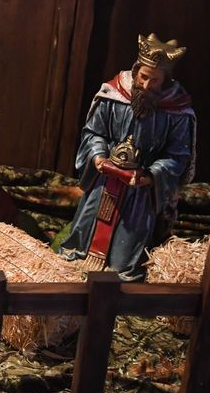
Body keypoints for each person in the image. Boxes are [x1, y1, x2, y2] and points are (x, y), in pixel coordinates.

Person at [59, 33, 196, 281]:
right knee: (81, 243)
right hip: (104, 182)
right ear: (136, 71)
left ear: (165, 80)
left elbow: (177, 155)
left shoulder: (176, 111)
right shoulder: (114, 94)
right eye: (143, 77)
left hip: (139, 193)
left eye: (154, 80)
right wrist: (98, 156)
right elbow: (94, 132)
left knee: (124, 263)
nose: (146, 85)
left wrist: (151, 176)